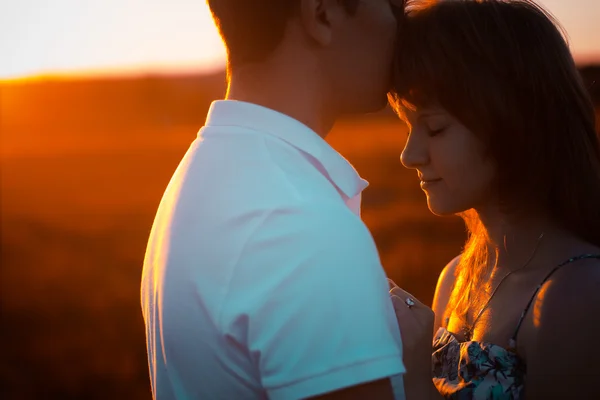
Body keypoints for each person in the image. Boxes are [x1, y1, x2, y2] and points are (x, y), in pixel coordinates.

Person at [140, 1, 421, 399]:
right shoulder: (302, 224)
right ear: (322, 14)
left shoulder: (195, 178)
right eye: (392, 2)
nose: (403, 18)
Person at [387, 0, 600, 399]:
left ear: (511, 123)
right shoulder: (456, 276)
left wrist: (415, 379)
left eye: (434, 128)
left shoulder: (578, 295)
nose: (409, 154)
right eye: (407, 125)